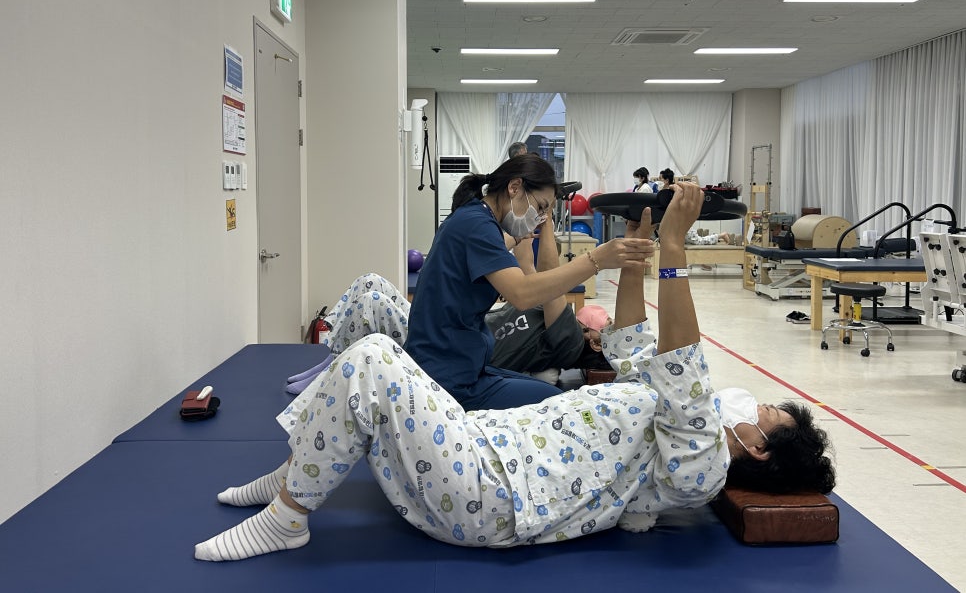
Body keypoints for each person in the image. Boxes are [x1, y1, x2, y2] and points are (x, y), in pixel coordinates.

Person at [193, 183, 835, 562]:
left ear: (759, 446)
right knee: (374, 349)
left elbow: (683, 361)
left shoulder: (703, 465)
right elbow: (637, 343)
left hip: (494, 497)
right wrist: (638, 257)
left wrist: (675, 249)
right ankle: (293, 473)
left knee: (373, 361)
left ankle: (288, 519)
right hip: (484, 448)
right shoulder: (675, 416)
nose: (751, 403)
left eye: (767, 413)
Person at [402, 153, 650, 411]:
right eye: (540, 207)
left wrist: (526, 233)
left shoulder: (474, 218)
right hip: (447, 375)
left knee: (551, 393)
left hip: (460, 363)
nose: (540, 217)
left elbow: (520, 263)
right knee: (560, 405)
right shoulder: (476, 224)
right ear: (514, 187)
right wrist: (596, 259)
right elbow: (522, 293)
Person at [283, 234, 614, 395]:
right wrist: (530, 224)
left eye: (607, 325)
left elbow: (552, 271)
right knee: (371, 281)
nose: (607, 319)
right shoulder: (538, 302)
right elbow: (528, 262)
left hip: (449, 346)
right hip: (451, 326)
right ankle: (331, 357)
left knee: (372, 302)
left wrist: (550, 219)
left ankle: (329, 377)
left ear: (595, 342)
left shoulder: (569, 339)